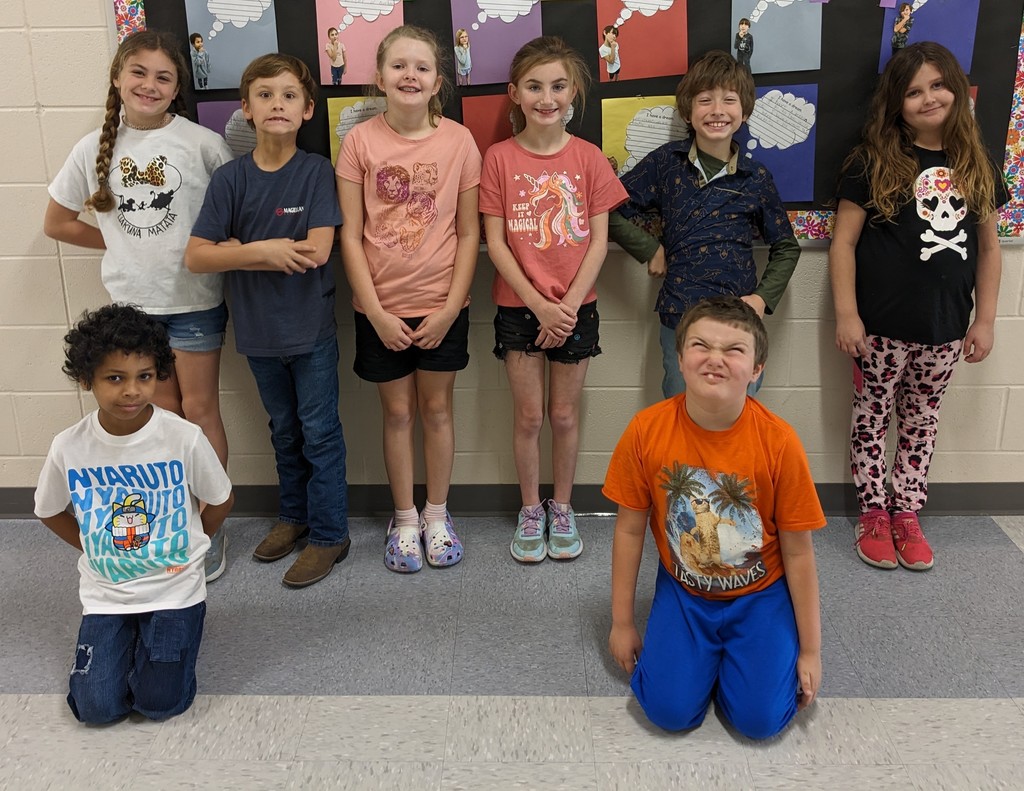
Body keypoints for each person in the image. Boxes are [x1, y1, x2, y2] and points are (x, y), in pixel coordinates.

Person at [43, 30, 234, 582]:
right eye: (139, 73)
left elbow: (232, 218)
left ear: (176, 89)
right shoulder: (92, 148)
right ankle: (173, 519)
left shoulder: (202, 144)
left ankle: (207, 527)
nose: (150, 85)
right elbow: (58, 222)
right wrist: (119, 243)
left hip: (195, 302)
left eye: (163, 77)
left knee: (199, 412)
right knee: (161, 417)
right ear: (118, 78)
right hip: (133, 309)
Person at [604, 296, 824, 739]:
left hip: (761, 595)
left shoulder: (780, 443)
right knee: (669, 713)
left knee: (759, 722)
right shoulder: (646, 431)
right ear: (680, 358)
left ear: (757, 369)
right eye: (701, 345)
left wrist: (811, 651)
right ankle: (706, 661)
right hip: (685, 592)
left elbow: (799, 553)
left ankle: (738, 664)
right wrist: (622, 623)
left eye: (734, 350)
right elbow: (629, 530)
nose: (715, 359)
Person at [831, 42, 1005, 572]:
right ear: (896, 102)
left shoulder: (976, 164)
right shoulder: (871, 161)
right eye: (913, 91)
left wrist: (985, 319)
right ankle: (873, 512)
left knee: (922, 421)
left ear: (957, 89)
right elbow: (843, 243)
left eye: (938, 85)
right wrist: (847, 314)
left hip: (945, 329)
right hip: (879, 328)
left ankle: (906, 511)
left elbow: (990, 249)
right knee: (871, 418)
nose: (928, 98)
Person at [185, 53, 350, 588]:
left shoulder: (316, 171)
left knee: (319, 433)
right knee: (283, 431)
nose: (277, 104)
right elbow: (198, 257)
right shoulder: (230, 179)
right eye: (265, 95)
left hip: (310, 331)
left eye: (289, 95)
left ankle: (330, 534)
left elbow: (316, 251)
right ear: (247, 109)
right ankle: (293, 517)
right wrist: (265, 250)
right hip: (257, 333)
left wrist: (236, 250)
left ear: (307, 110)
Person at [34, 304, 234, 724]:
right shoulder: (69, 446)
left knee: (159, 704)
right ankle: (134, 640)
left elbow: (221, 499)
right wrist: (92, 545)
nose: (132, 391)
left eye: (144, 376)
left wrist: (190, 542)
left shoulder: (183, 437)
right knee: (94, 708)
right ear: (86, 379)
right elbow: (48, 511)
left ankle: (171, 636)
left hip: (174, 588)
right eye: (115, 378)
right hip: (108, 593)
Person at [337, 25, 480, 574]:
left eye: (422, 67)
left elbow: (469, 232)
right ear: (380, 78)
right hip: (381, 310)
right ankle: (403, 520)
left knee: (437, 410)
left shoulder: (460, 142)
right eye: (399, 65)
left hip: (443, 306)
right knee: (397, 413)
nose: (410, 75)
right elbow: (351, 235)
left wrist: (450, 308)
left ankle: (436, 515)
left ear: (438, 81)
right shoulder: (359, 142)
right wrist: (375, 312)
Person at [480, 36, 628, 563]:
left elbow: (599, 241)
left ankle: (561, 507)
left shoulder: (588, 158)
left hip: (576, 308)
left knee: (563, 416)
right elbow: (496, 243)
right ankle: (530, 509)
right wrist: (539, 305)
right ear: (515, 93)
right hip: (519, 308)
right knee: (528, 417)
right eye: (535, 86)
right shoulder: (498, 158)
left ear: (573, 93)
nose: (547, 98)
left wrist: (565, 307)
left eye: (558, 86)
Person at [609, 50, 800, 399]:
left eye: (729, 100)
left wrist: (762, 299)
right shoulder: (666, 163)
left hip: (738, 318)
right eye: (705, 100)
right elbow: (607, 207)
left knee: (739, 411)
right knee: (680, 407)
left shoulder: (755, 177)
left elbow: (786, 246)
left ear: (744, 111)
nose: (717, 110)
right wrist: (649, 248)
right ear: (687, 111)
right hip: (681, 314)